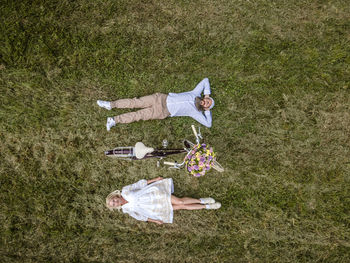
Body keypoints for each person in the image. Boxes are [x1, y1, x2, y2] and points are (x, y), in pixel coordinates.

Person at [97, 78, 214, 130]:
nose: (206, 102)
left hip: (162, 112)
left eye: (207, 104)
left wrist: (207, 112)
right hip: (160, 98)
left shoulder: (195, 112)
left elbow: (208, 124)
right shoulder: (195, 93)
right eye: (207, 100)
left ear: (205, 108)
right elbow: (205, 80)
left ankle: (114, 120)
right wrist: (207, 95)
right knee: (135, 102)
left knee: (139, 115)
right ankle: (111, 105)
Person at [105, 177, 221, 224]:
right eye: (114, 204)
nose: (115, 202)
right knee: (182, 207)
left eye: (113, 200)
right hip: (156, 209)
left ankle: (201, 200)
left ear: (115, 196)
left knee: (180, 202)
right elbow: (141, 217)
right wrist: (155, 221)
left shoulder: (125, 190)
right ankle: (207, 207)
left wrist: (156, 179)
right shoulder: (126, 210)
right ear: (116, 206)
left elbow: (139, 184)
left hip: (156, 195)